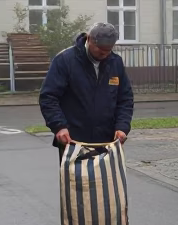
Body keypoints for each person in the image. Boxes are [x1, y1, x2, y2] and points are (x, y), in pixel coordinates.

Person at [39, 21, 134, 152]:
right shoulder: (65, 60)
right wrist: (59, 126)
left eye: (108, 50)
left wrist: (122, 127)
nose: (105, 54)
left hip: (107, 141)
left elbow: (125, 99)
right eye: (100, 49)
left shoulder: (115, 62)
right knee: (76, 174)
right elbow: (48, 97)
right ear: (89, 39)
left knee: (106, 174)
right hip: (73, 140)